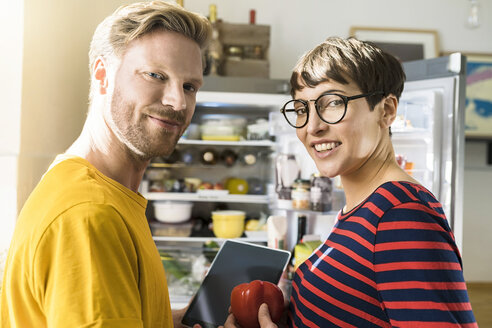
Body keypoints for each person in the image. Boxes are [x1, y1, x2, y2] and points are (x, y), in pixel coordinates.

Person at [225, 37, 477, 327]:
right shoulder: (362, 209)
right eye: (302, 109)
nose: (313, 126)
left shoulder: (401, 216)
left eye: (332, 103)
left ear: (387, 111)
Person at [0, 2, 211, 327]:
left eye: (189, 87)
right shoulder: (89, 216)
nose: (178, 101)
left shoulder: (93, 188)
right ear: (102, 75)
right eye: (155, 75)